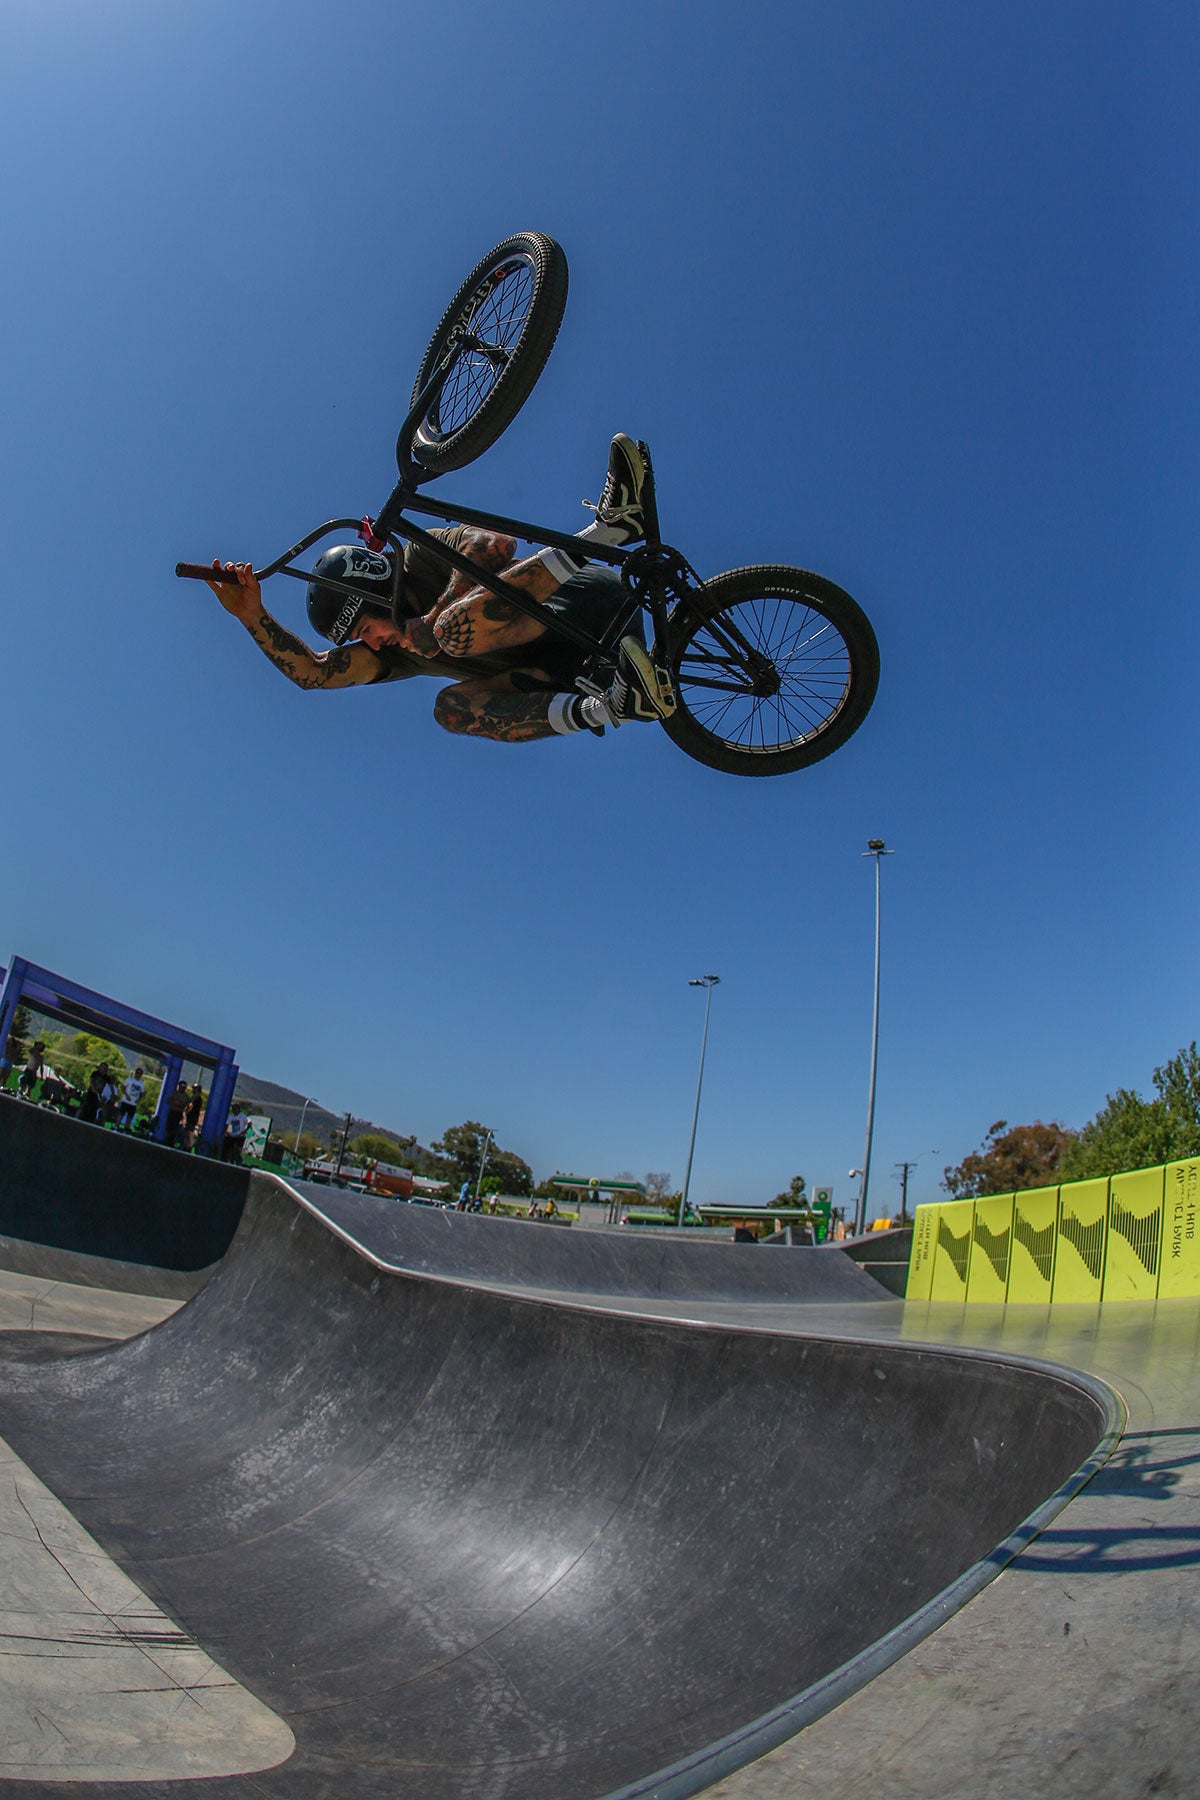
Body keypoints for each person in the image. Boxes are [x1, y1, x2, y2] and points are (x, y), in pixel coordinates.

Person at [205, 436, 675, 744]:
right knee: (449, 710)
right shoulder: (396, 652)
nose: (371, 643)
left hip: (586, 603)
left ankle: (608, 533)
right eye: (360, 641)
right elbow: (314, 673)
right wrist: (250, 615)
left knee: (451, 629)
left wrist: (435, 619)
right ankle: (613, 704)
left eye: (364, 627)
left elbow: (493, 545)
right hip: (583, 669)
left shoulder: (420, 557)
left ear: (373, 591)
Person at [117, 1065, 146, 1132]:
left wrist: (139, 1099)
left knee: (129, 1118)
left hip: (133, 1103)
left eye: (140, 1073)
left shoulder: (141, 1083)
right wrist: (126, 1095)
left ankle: (126, 1129)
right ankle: (117, 1126)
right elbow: (122, 1086)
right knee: (121, 1115)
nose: (138, 1074)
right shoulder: (129, 1080)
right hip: (126, 1101)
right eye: (137, 1073)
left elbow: (142, 1093)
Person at [162, 1078, 190, 1147]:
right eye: (181, 1086)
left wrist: (176, 1102)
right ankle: (166, 1140)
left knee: (174, 1128)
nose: (181, 1088)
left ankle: (171, 1142)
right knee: (169, 1127)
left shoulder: (186, 1097)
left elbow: (183, 1105)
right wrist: (175, 1102)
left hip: (178, 1114)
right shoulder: (175, 1093)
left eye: (183, 1087)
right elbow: (169, 1100)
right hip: (172, 1112)